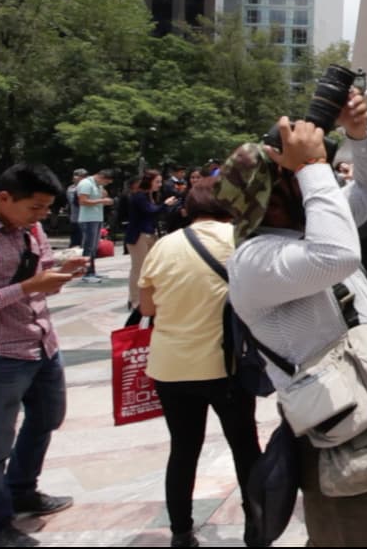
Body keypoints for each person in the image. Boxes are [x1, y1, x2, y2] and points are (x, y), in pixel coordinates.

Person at [220, 88, 367, 546]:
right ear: (275, 191)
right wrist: (313, 167)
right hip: (332, 433)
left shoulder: (309, 229)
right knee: (348, 537)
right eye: (293, 175)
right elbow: (337, 257)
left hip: (359, 420)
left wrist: (358, 135)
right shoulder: (256, 260)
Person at [0, 163, 87, 548]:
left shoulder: (30, 228)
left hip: (41, 342)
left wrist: (60, 270)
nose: (42, 216)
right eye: (36, 208)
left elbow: (36, 270)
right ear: (5, 197)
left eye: (46, 209)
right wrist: (29, 287)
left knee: (47, 417)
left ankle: (22, 489)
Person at [139, 178, 258, 548]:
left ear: (187, 210)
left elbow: (146, 307)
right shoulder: (239, 241)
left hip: (171, 367)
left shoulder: (163, 246)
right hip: (227, 368)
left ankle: (180, 532)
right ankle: (256, 527)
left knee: (183, 449)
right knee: (245, 447)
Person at [125, 171, 179, 313]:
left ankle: (149, 297)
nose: (159, 185)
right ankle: (135, 300)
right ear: (149, 181)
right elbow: (150, 211)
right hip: (139, 236)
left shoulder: (150, 196)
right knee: (139, 268)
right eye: (157, 182)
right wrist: (165, 205)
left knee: (151, 267)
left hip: (150, 234)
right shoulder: (139, 196)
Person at [75, 169, 115, 284]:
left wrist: (103, 194)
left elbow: (103, 195)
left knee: (94, 247)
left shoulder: (97, 185)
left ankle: (92, 271)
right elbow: (83, 201)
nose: (106, 184)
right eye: (106, 182)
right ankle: (86, 273)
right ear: (101, 177)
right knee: (88, 247)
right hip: (88, 219)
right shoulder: (86, 184)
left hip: (97, 218)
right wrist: (101, 200)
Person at [65, 169, 87, 247]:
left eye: (78, 175)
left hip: (85, 217)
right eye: (75, 175)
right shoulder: (70, 188)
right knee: (75, 238)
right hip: (74, 217)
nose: (75, 177)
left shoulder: (87, 187)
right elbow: (70, 203)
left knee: (84, 237)